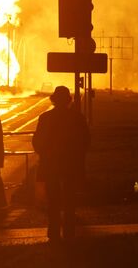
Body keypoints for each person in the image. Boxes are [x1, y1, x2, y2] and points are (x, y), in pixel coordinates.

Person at [32, 86, 90, 242]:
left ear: (54, 100)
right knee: (70, 198)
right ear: (69, 100)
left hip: (51, 165)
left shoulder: (45, 118)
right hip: (70, 165)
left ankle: (54, 230)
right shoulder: (77, 117)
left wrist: (46, 154)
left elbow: (37, 142)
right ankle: (69, 231)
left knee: (53, 200)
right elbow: (85, 142)